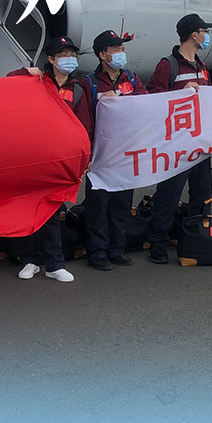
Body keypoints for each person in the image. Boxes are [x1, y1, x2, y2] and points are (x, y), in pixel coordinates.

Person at [8, 35, 85, 283]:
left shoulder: (78, 90)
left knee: (53, 211)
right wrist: (25, 72)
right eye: (63, 55)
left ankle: (54, 264)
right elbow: (7, 83)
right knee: (29, 210)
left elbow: (85, 126)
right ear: (51, 59)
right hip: (33, 157)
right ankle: (29, 260)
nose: (69, 59)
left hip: (61, 160)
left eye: (72, 55)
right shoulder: (36, 82)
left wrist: (83, 159)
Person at [73, 30, 148, 271]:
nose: (121, 53)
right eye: (116, 50)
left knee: (122, 204)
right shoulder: (90, 83)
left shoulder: (131, 78)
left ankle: (117, 249)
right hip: (102, 155)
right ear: (102, 54)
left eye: (122, 49)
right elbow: (85, 122)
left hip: (126, 153)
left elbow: (146, 103)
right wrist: (88, 154)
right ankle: (97, 253)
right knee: (98, 206)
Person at [144, 13, 212, 264]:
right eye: (204, 32)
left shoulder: (202, 65)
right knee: (169, 194)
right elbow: (153, 99)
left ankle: (196, 237)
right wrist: (179, 93)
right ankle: (158, 243)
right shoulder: (168, 65)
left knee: (203, 193)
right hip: (175, 143)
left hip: (201, 141)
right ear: (194, 35)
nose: (207, 36)